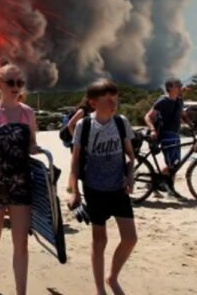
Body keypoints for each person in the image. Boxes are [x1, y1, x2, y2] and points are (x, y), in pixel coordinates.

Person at [0, 63, 42, 295]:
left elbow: (31, 142)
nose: (16, 88)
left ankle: (20, 292)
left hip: (21, 182)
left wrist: (36, 149)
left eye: (19, 83)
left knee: (21, 242)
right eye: (11, 83)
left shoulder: (28, 113)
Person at [68, 79, 137, 295]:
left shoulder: (121, 122)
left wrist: (130, 175)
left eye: (115, 99)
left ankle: (112, 277)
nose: (113, 103)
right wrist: (75, 191)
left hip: (118, 188)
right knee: (99, 241)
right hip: (95, 189)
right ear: (93, 103)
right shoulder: (84, 125)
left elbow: (130, 154)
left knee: (130, 238)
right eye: (108, 100)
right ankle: (100, 289)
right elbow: (75, 160)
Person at [144, 78, 191, 179]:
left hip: (176, 134)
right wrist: (152, 130)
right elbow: (148, 116)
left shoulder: (179, 101)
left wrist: (191, 124)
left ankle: (165, 183)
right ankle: (161, 183)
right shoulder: (162, 101)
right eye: (177, 85)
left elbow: (182, 115)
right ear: (169, 87)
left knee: (175, 164)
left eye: (180, 84)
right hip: (166, 134)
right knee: (170, 164)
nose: (180, 86)